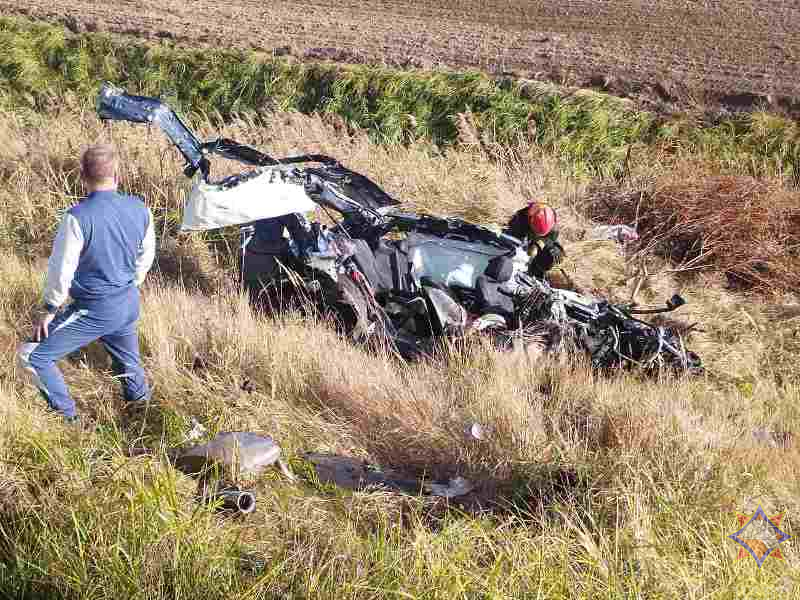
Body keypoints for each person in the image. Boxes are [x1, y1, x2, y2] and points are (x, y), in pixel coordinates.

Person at [16, 143, 156, 424]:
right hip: (128, 300)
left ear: (83, 176)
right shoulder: (140, 208)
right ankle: (144, 418)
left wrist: (49, 308)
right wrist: (129, 284)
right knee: (128, 362)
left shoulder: (77, 217)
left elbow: (61, 269)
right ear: (118, 174)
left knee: (31, 356)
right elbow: (146, 255)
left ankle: (70, 422)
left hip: (96, 309)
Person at [505, 201, 565, 278]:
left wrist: (537, 245)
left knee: (553, 254)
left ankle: (535, 273)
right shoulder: (521, 218)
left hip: (539, 241)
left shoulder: (552, 225)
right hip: (522, 238)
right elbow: (514, 237)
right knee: (511, 250)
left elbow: (551, 238)